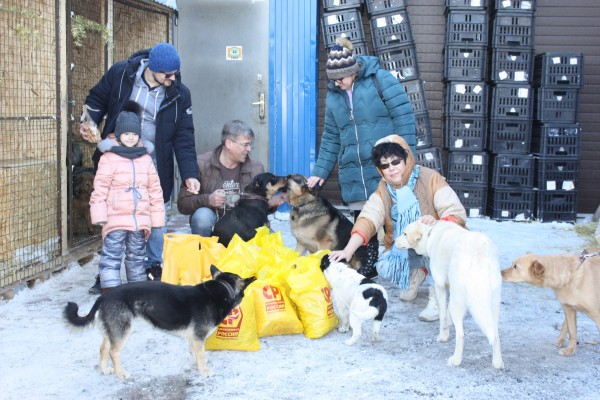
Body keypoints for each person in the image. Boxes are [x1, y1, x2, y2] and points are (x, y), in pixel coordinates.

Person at [80, 42, 200, 293]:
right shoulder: (121, 74)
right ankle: (108, 271)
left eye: (175, 73)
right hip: (117, 155)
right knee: (116, 216)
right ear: (152, 68)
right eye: (167, 74)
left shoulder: (179, 93)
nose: (173, 78)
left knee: (156, 214)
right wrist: (89, 119)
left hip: (153, 160)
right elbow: (96, 98)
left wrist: (190, 173)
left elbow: (185, 136)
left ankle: (152, 265)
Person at [328, 134, 467, 322]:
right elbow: (368, 218)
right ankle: (416, 273)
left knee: (437, 256)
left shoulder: (429, 178)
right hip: (408, 244)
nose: (391, 168)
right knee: (386, 265)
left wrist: (436, 224)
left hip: (438, 242)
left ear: (407, 158)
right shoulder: (384, 189)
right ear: (380, 170)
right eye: (385, 165)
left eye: (396, 161)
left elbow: (455, 211)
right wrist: (347, 250)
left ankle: (437, 300)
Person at [307, 37, 416, 212]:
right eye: (333, 79)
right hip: (353, 178)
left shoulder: (380, 80)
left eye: (340, 78)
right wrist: (319, 171)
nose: (337, 83)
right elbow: (331, 137)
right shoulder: (334, 95)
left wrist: (406, 160)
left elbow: (404, 119)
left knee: (389, 232)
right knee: (363, 233)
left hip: (385, 170)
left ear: (352, 70)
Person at [89, 102, 165, 292]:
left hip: (139, 219)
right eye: (126, 134)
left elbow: (155, 190)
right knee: (112, 254)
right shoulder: (108, 158)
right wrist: (99, 215)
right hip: (115, 218)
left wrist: (156, 219)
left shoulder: (145, 159)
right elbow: (100, 188)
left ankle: (136, 290)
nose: (130, 138)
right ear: (118, 134)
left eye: (134, 134)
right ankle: (110, 290)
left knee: (137, 256)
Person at [177, 120, 285, 236]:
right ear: (229, 144)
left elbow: (257, 210)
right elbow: (183, 204)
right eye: (245, 145)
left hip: (242, 224)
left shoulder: (255, 167)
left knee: (274, 240)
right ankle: (204, 251)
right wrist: (208, 199)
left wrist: (270, 204)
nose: (249, 149)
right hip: (214, 221)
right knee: (202, 217)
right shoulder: (201, 164)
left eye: (250, 145)